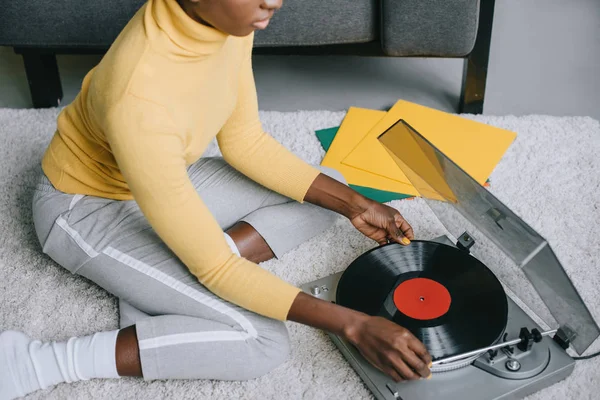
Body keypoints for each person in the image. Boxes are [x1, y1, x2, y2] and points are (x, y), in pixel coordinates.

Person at [0, 0, 432, 398]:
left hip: (160, 180)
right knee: (262, 342)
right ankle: (40, 361)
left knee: (330, 187)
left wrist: (357, 204)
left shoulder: (227, 23)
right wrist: (354, 325)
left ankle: (166, 275)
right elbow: (217, 268)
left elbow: (246, 142)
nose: (274, 1)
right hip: (85, 210)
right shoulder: (137, 99)